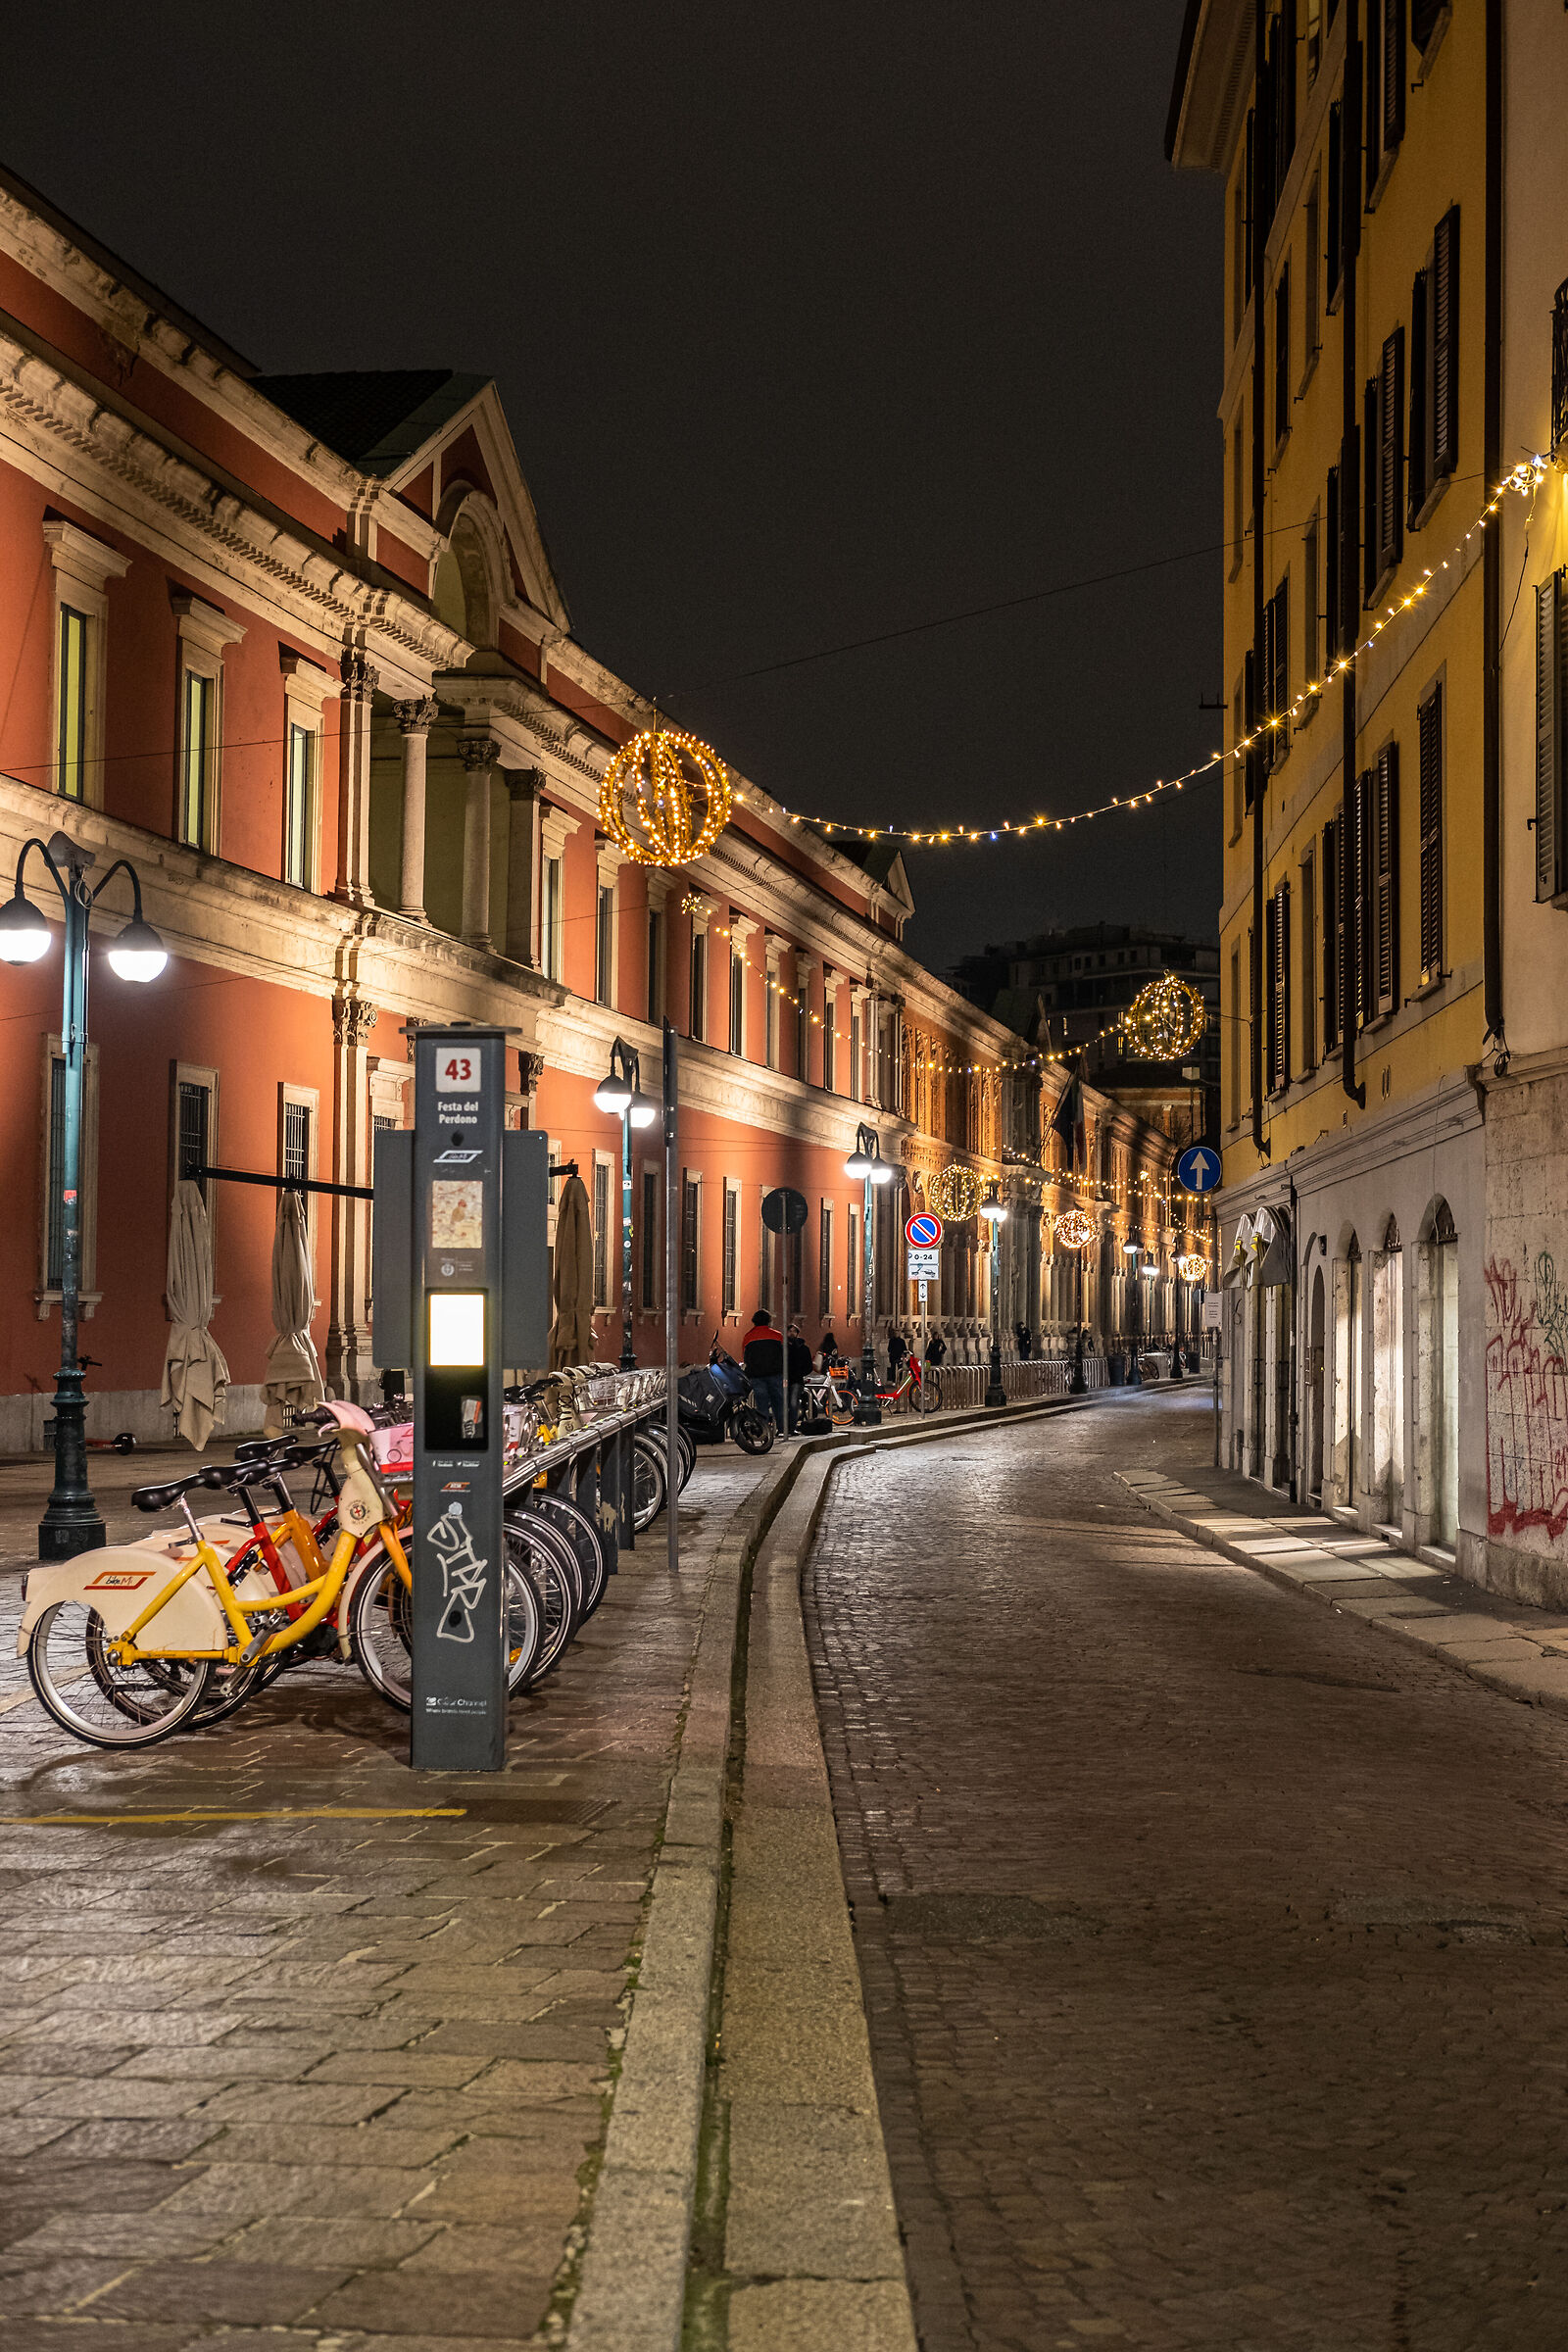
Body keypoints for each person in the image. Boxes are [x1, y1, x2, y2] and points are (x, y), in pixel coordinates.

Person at [742, 1307, 786, 1432]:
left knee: (762, 1404)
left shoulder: (748, 1337)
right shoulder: (777, 1336)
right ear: (769, 1321)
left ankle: (765, 1430)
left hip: (756, 1376)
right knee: (779, 1402)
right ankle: (782, 1429)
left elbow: (745, 1357)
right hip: (775, 1374)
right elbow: (784, 1356)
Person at [786, 1320, 812, 1433]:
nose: (792, 1333)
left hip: (796, 1380)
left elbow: (809, 1365)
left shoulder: (804, 1348)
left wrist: (800, 1373)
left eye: (794, 1331)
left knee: (793, 1404)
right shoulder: (782, 1347)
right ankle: (782, 1427)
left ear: (797, 1333)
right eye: (790, 1331)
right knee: (784, 1404)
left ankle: (791, 1428)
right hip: (784, 1379)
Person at [924, 1324, 947, 1405]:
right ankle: (931, 1379)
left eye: (937, 1336)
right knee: (930, 1369)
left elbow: (944, 1348)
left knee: (937, 1369)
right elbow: (928, 1350)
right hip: (931, 1358)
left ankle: (938, 1379)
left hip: (937, 1357)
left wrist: (941, 1352)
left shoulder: (940, 1342)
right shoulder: (931, 1342)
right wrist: (926, 1357)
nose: (936, 1337)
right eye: (935, 1336)